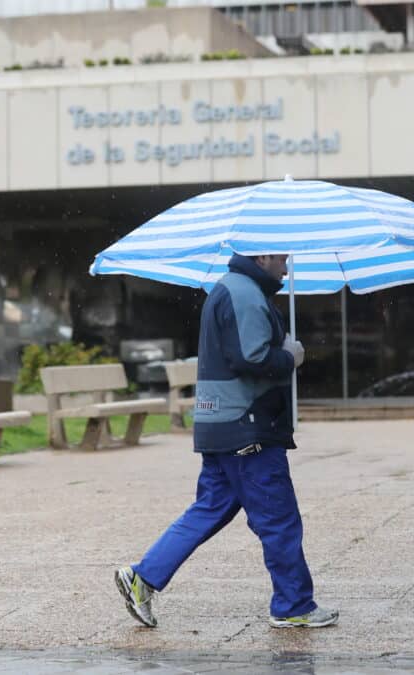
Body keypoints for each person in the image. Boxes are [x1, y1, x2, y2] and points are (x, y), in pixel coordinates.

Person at [114, 253, 339, 630]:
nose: (287, 267)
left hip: (223, 423)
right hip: (247, 425)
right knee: (278, 519)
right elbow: (250, 359)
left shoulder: (233, 289)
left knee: (209, 509)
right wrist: (290, 356)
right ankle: (293, 605)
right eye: (282, 258)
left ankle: (143, 577)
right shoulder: (245, 293)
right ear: (262, 255)